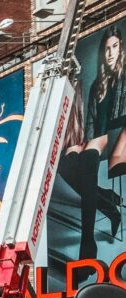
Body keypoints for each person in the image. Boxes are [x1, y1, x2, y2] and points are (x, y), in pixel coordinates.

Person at [60, 26, 126, 269]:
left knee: (87, 157)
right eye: (106, 48)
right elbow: (90, 123)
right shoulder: (97, 84)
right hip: (99, 137)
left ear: (121, 48)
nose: (110, 53)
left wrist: (92, 144)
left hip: (120, 132)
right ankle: (107, 201)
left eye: (115, 47)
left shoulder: (124, 77)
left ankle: (87, 245)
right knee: (67, 163)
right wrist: (83, 142)